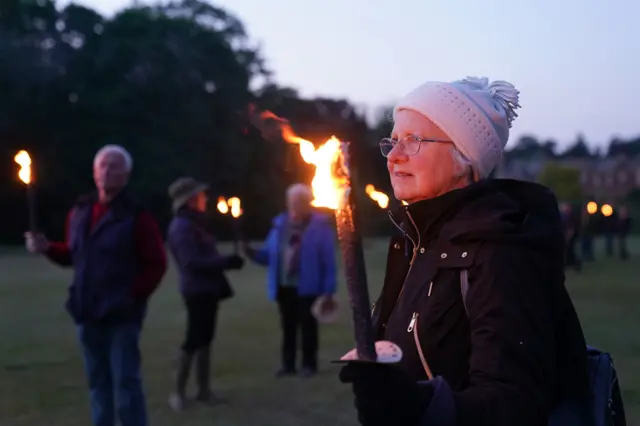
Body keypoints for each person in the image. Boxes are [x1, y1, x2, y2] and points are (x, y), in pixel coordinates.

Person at [337, 77, 590, 426]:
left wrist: (418, 403)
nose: (394, 157)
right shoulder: (415, 242)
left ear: (463, 157)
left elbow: (516, 401)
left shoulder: (502, 250)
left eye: (413, 141)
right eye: (393, 141)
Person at [24, 144, 167, 426]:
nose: (106, 171)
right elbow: (73, 255)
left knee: (126, 386)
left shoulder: (137, 216)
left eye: (114, 166)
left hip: (121, 315)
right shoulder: (79, 212)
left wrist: (131, 296)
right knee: (98, 386)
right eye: (102, 166)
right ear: (94, 172)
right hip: (86, 311)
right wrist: (46, 247)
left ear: (126, 175)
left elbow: (156, 264)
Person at [166, 177, 245, 410]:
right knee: (194, 338)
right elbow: (191, 262)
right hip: (196, 290)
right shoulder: (182, 227)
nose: (205, 199)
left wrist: (226, 261)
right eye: (200, 195)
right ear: (190, 200)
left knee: (206, 338)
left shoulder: (196, 224)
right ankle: (178, 393)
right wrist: (225, 262)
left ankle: (203, 390)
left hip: (207, 288)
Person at [243, 183, 337, 378]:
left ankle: (309, 365)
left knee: (308, 327)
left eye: (299, 202)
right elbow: (268, 256)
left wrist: (328, 290)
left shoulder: (320, 228)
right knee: (288, 327)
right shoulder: (279, 226)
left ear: (308, 203)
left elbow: (329, 263)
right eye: (291, 202)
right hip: (284, 287)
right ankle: (288, 365)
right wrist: (252, 253)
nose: (294, 206)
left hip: (309, 288)